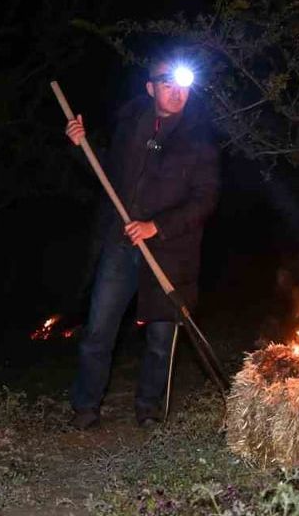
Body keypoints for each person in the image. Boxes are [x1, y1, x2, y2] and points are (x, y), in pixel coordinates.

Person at [65, 57, 220, 429]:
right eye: (167, 83)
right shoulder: (130, 124)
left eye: (183, 84)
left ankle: (149, 410)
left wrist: (157, 226)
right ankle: (85, 408)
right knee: (99, 329)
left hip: (170, 252)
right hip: (120, 245)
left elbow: (205, 201)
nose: (177, 91)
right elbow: (107, 176)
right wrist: (79, 145)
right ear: (151, 88)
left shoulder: (199, 140)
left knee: (161, 338)